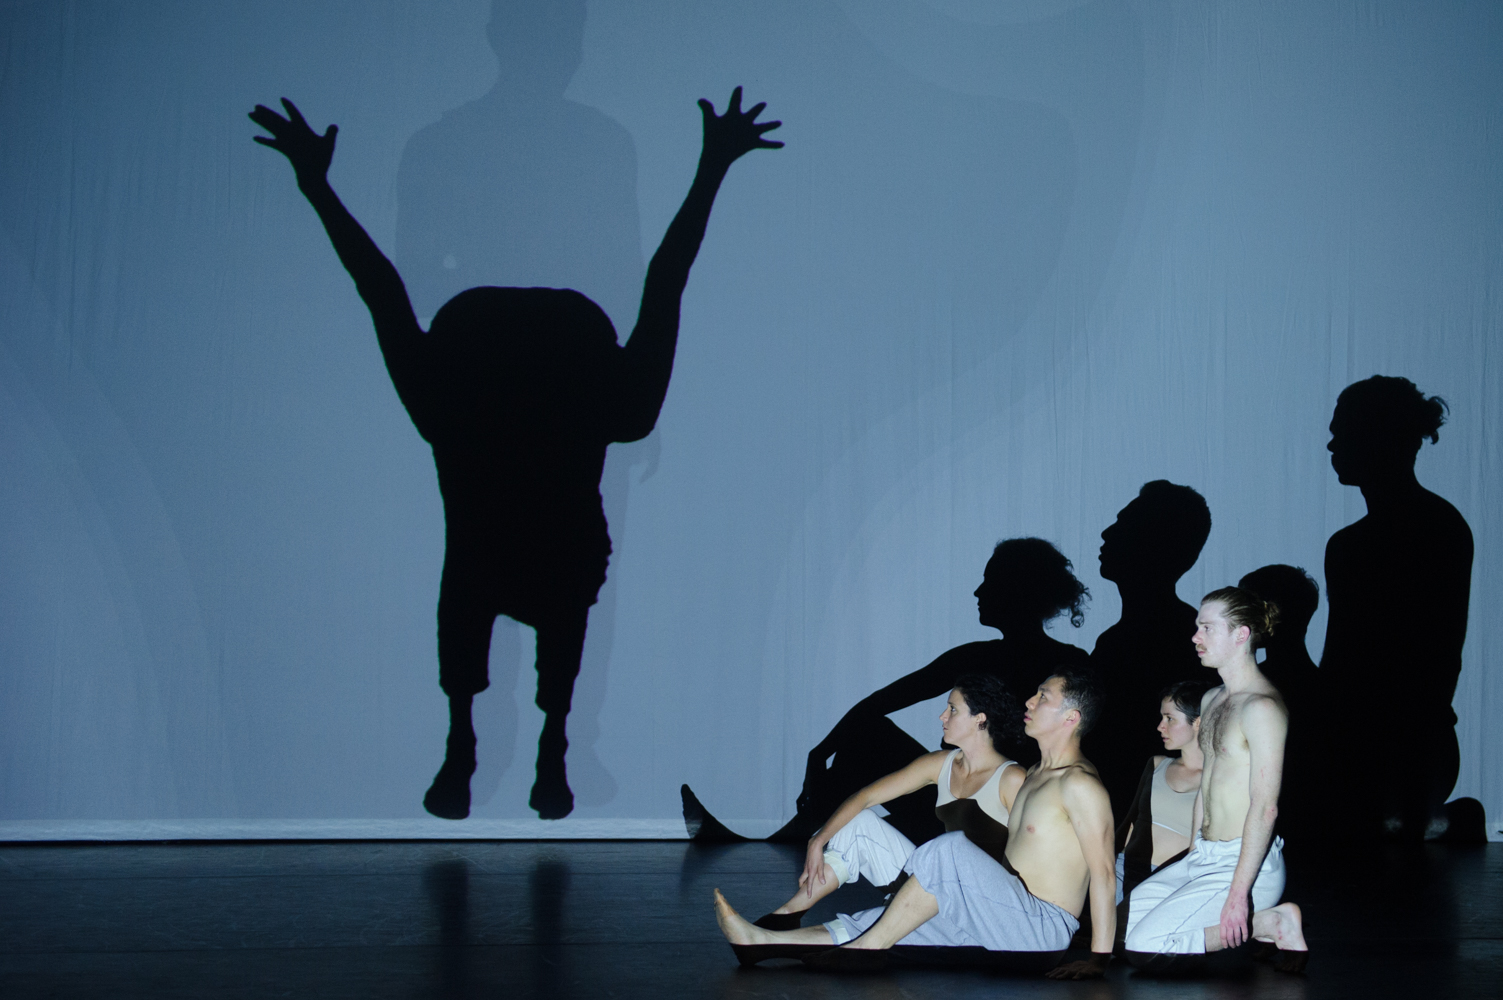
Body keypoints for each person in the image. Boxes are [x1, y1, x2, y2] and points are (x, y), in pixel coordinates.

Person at [249, 88, 782, 820]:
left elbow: (381, 290)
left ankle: (514, 743)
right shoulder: (591, 400)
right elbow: (665, 284)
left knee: (497, 603)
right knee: (536, 612)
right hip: (536, 526)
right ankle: (525, 744)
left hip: (507, 527)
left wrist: (317, 187)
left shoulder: (456, 395)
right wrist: (711, 169)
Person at [712, 668, 1118, 981]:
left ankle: (866, 951)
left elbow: (1102, 872)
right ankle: (761, 941)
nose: (1029, 700)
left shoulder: (1079, 783)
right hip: (997, 916)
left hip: (1040, 929)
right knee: (877, 923)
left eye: (1043, 696)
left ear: (1070, 717)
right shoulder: (1037, 776)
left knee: (950, 849)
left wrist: (1098, 959)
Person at [731, 538, 1089, 845]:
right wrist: (819, 751)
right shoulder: (995, 657)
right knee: (868, 735)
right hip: (964, 801)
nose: (979, 592)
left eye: (989, 581)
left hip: (997, 814)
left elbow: (878, 706)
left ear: (1017, 591)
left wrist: (820, 753)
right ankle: (816, 828)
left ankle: (812, 829)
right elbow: (879, 703)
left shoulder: (1054, 665)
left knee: (867, 737)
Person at [1320, 376, 1475, 841]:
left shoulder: (1426, 530)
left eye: (1342, 430)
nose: (1331, 443)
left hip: (1402, 747)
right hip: (1396, 743)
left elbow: (1434, 653)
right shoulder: (1360, 542)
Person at [1124, 588, 1307, 972]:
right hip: (1205, 855)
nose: (1195, 637)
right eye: (1197, 627)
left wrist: (1238, 895)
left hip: (1243, 863)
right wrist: (1192, 856)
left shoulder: (1262, 708)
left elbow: (1265, 806)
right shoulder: (1211, 700)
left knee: (1144, 946)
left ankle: (1264, 921)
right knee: (1126, 923)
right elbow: (1208, 786)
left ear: (1241, 634)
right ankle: (1262, 924)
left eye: (1207, 627)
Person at [752, 674, 1026, 931]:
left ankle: (897, 920)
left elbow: (1036, 852)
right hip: (941, 887)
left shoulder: (1011, 778)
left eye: (952, 710)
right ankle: (787, 916)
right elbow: (865, 796)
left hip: (984, 905)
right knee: (860, 822)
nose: (942, 716)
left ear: (980, 719)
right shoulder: (939, 764)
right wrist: (818, 840)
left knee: (938, 860)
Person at [1088, 482, 1212, 819]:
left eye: (1124, 524)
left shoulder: (1186, 640)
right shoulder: (1117, 640)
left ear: (1155, 543)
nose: (1106, 533)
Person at [1112, 678, 1214, 946]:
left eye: (1170, 718)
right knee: (1110, 935)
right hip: (1127, 871)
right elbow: (1130, 823)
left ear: (1199, 723)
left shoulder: (1217, 779)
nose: (1160, 726)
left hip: (1171, 880)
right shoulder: (1156, 764)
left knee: (1131, 941)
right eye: (1161, 717)